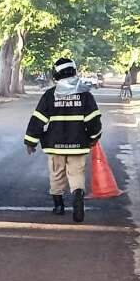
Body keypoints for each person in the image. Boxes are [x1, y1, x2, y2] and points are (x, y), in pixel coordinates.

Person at [24, 58, 102, 223]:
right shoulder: (85, 94)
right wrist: (94, 137)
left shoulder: (50, 95)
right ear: (74, 72)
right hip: (79, 144)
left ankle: (58, 206)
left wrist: (30, 141)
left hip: (55, 145)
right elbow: (94, 120)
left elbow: (38, 119)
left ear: (56, 74)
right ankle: (78, 193)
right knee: (76, 173)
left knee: (56, 174)